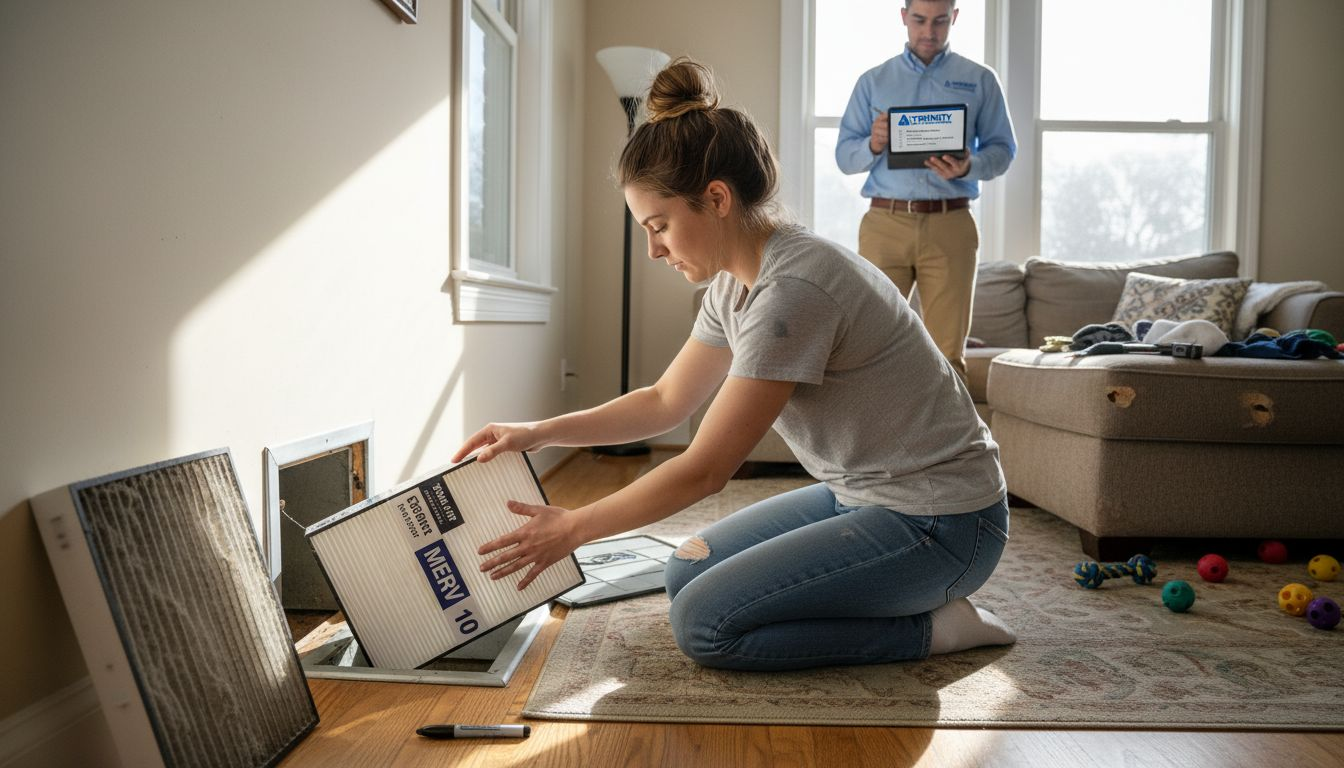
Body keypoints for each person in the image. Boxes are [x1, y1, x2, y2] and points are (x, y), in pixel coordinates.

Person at [452, 57, 1015, 672]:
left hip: (944, 522)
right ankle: (880, 596)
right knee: (686, 566)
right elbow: (666, 400)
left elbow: (706, 470)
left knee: (705, 625)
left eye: (660, 225)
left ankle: (937, 628)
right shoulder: (733, 286)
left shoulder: (794, 290)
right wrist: (537, 433)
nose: (653, 248)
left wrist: (574, 528)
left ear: (716, 198)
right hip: (863, 496)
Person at [836, 0, 1016, 379]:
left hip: (951, 223)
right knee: (869, 346)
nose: (929, 32)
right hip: (885, 222)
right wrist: (873, 142)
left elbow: (1004, 150)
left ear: (954, 17)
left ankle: (952, 441)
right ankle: (876, 440)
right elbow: (844, 157)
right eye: (919, 20)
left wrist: (971, 165)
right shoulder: (874, 80)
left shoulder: (980, 79)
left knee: (947, 356)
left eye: (939, 21)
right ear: (904, 18)